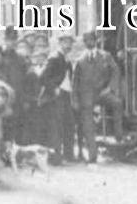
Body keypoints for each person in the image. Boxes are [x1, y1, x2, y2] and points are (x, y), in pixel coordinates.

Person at [70, 32, 121, 164]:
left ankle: (118, 134)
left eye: (92, 40)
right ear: (84, 42)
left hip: (103, 93)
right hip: (87, 95)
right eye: (87, 41)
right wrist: (75, 100)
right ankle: (92, 156)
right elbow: (75, 83)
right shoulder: (80, 61)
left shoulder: (105, 56)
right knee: (88, 124)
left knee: (117, 103)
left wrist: (110, 88)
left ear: (96, 41)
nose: (89, 43)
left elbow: (116, 71)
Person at [38, 35, 74, 163]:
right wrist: (54, 88)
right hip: (56, 97)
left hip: (66, 95)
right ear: (60, 43)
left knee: (68, 125)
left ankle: (69, 156)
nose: (68, 45)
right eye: (65, 42)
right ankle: (56, 158)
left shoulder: (66, 58)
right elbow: (43, 77)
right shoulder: (54, 57)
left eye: (70, 43)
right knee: (56, 127)